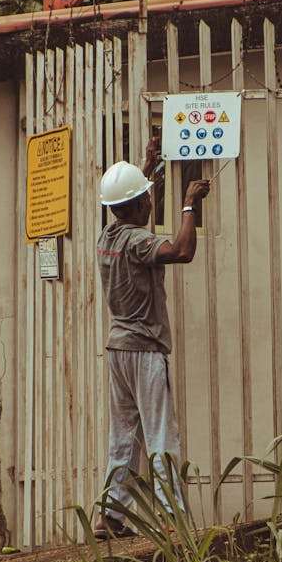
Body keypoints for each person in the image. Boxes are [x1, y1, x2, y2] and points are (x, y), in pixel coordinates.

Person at [95, 137, 210, 539]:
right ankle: (173, 518)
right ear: (142, 206)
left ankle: (110, 517)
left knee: (123, 435)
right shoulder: (140, 242)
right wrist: (188, 204)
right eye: (146, 199)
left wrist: (148, 168)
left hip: (118, 349)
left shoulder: (107, 237)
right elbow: (181, 251)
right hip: (145, 351)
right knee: (162, 434)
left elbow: (129, 203)